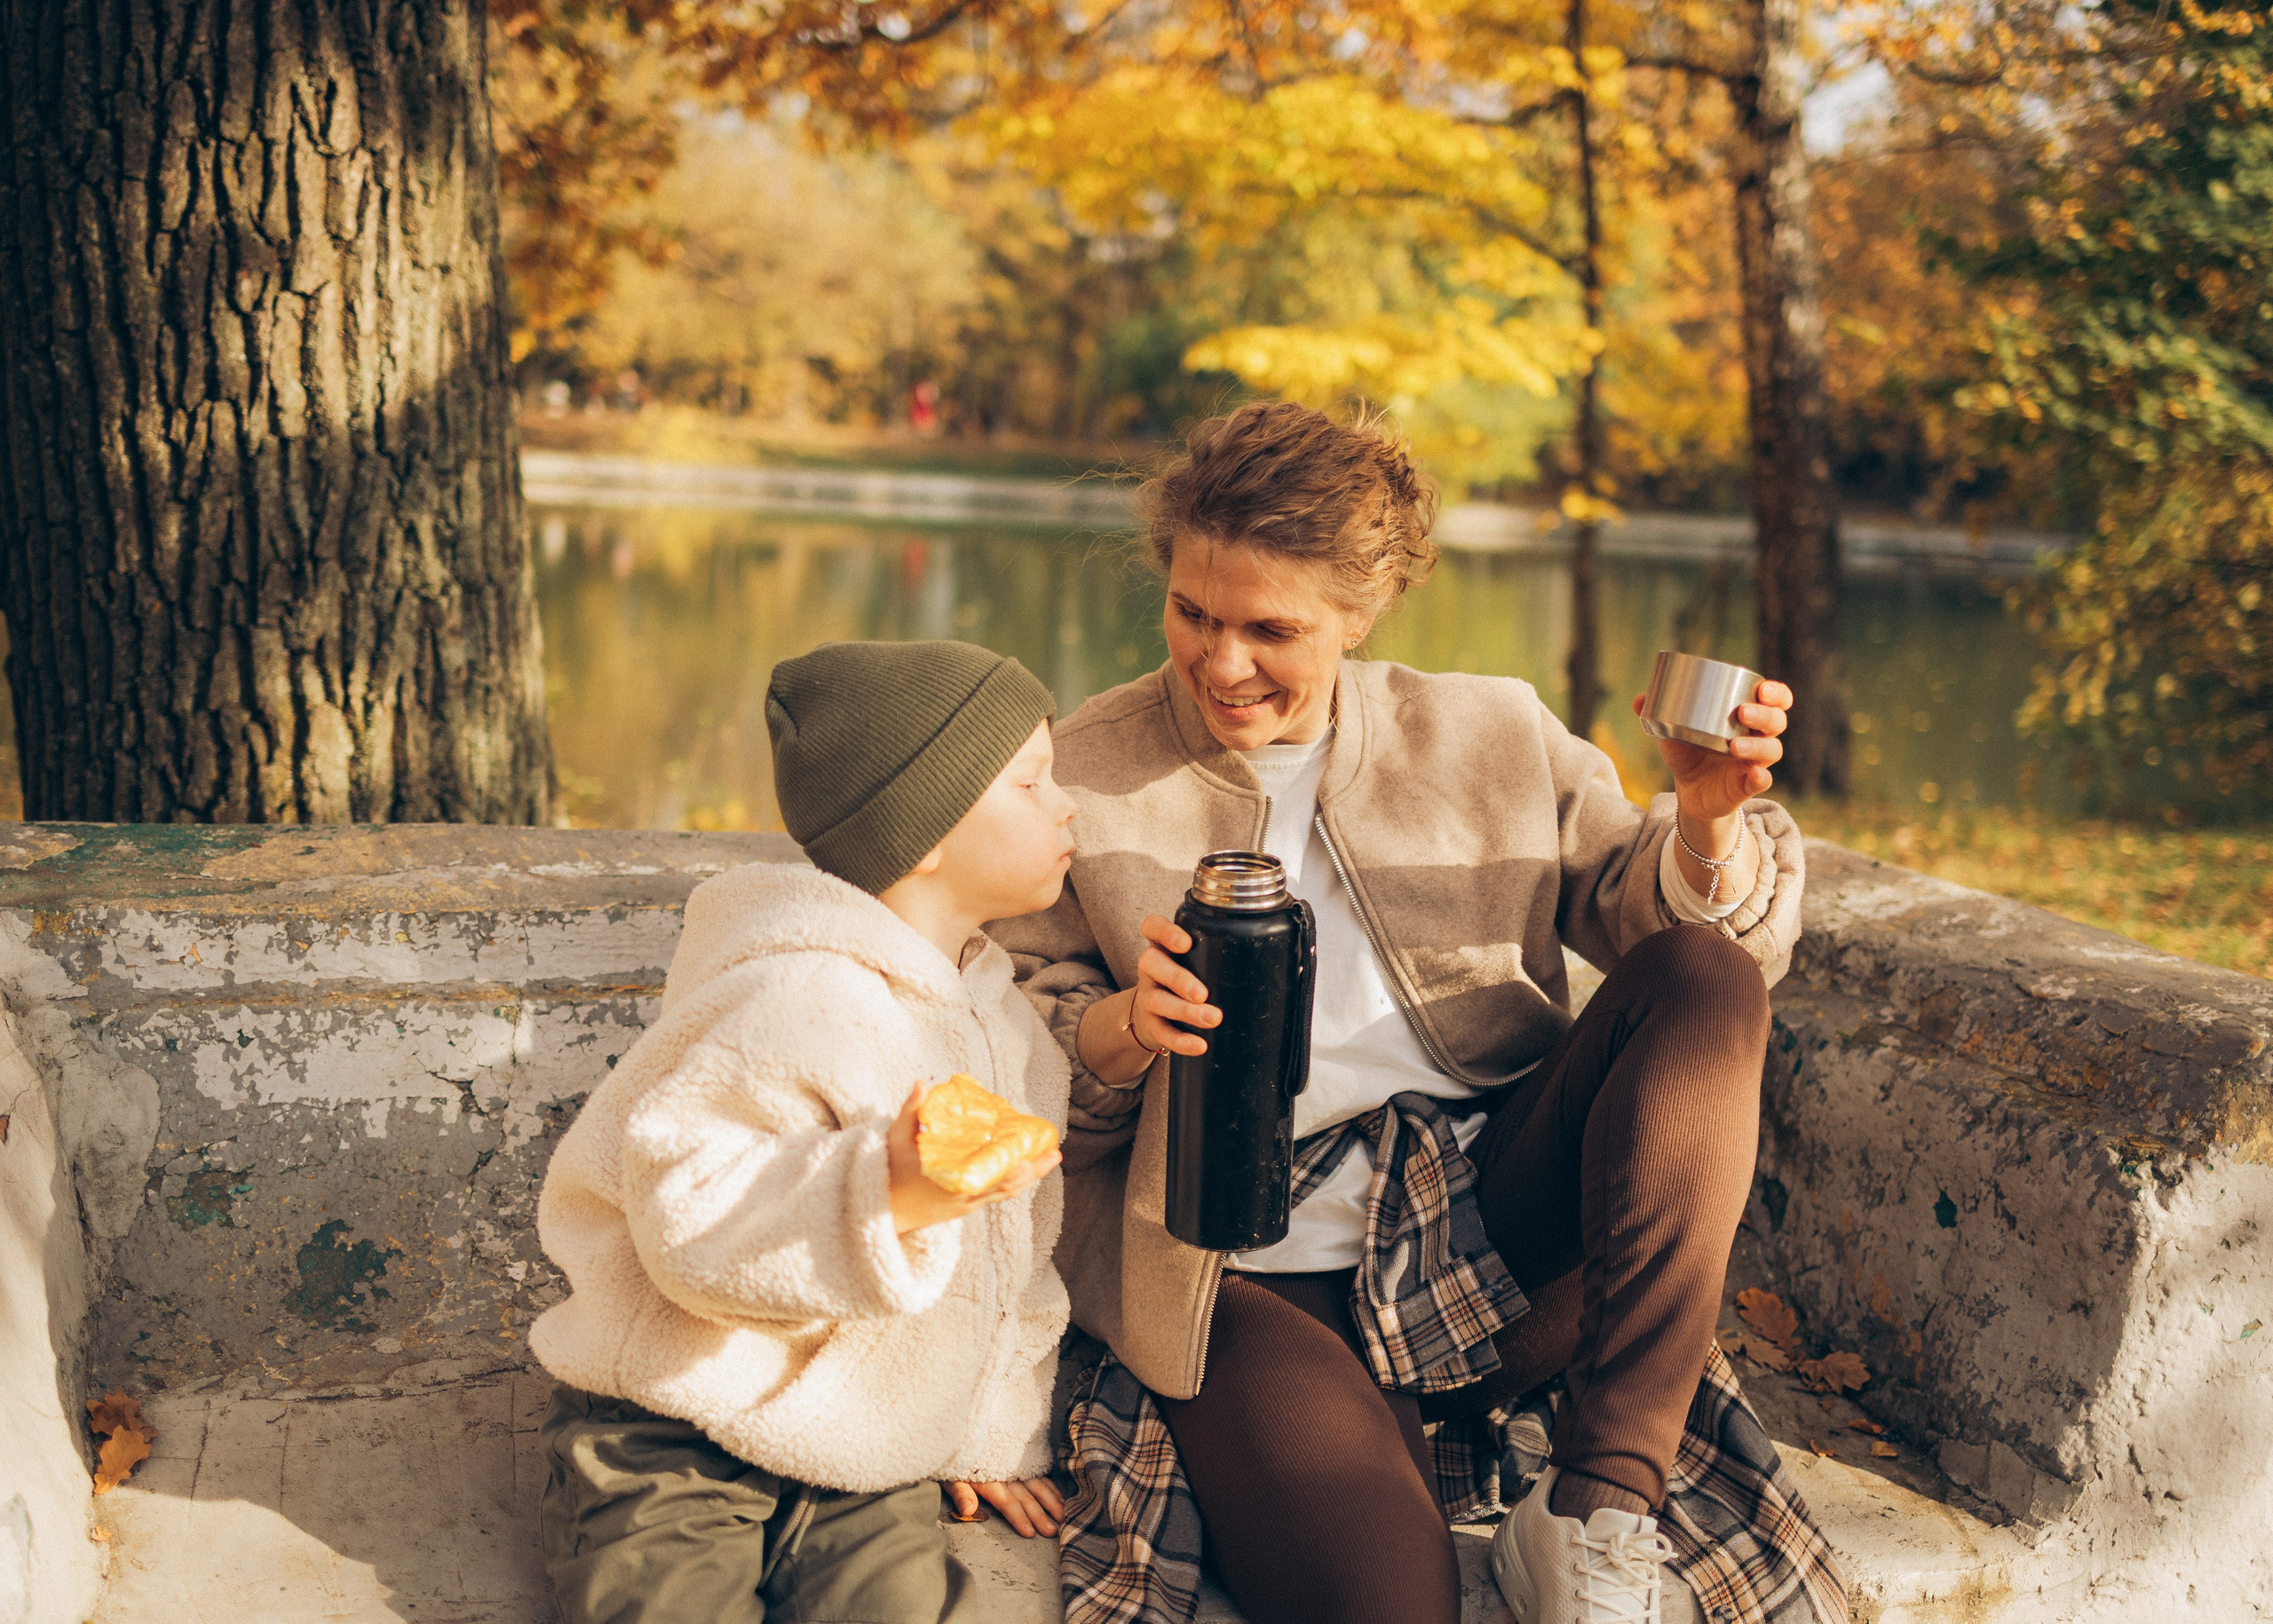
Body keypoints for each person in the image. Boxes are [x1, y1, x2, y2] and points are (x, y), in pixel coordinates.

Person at [992, 403, 1838, 1624]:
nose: (1221, 663)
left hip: (1488, 1227)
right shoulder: (1083, 770)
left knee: (1706, 979)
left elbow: (1679, 935)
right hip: (1243, 1263)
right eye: (1193, 614)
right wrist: (1124, 1027)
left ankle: (1600, 1506)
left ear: (1358, 611)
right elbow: (1014, 1044)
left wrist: (1705, 822)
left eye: (1268, 628)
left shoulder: (1487, 731)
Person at [529, 639, 1078, 1624]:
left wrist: (986, 1435)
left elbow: (1013, 1267)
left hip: (866, 1447)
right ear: (926, 832)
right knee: (661, 1604)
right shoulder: (790, 994)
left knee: (901, 1606)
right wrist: (884, 1190)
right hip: (678, 1427)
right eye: (1032, 782)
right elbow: (688, 1222)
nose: (1066, 803)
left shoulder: (1010, 1031)